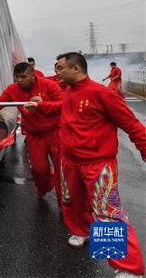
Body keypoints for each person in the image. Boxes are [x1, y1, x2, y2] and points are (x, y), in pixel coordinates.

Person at [54, 52, 144, 278]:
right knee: (72, 201)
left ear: (76, 68)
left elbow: (132, 125)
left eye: (60, 68)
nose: (57, 72)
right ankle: (82, 231)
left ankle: (127, 267)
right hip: (70, 161)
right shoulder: (68, 91)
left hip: (97, 164)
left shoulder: (103, 94)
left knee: (106, 212)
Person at [0, 62, 63, 205]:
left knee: (62, 170)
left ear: (32, 75)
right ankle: (44, 187)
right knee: (38, 170)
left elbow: (63, 104)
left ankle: (64, 203)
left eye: (23, 77)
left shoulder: (49, 85)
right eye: (16, 77)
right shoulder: (13, 89)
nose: (19, 80)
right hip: (34, 136)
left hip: (55, 133)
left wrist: (41, 105)